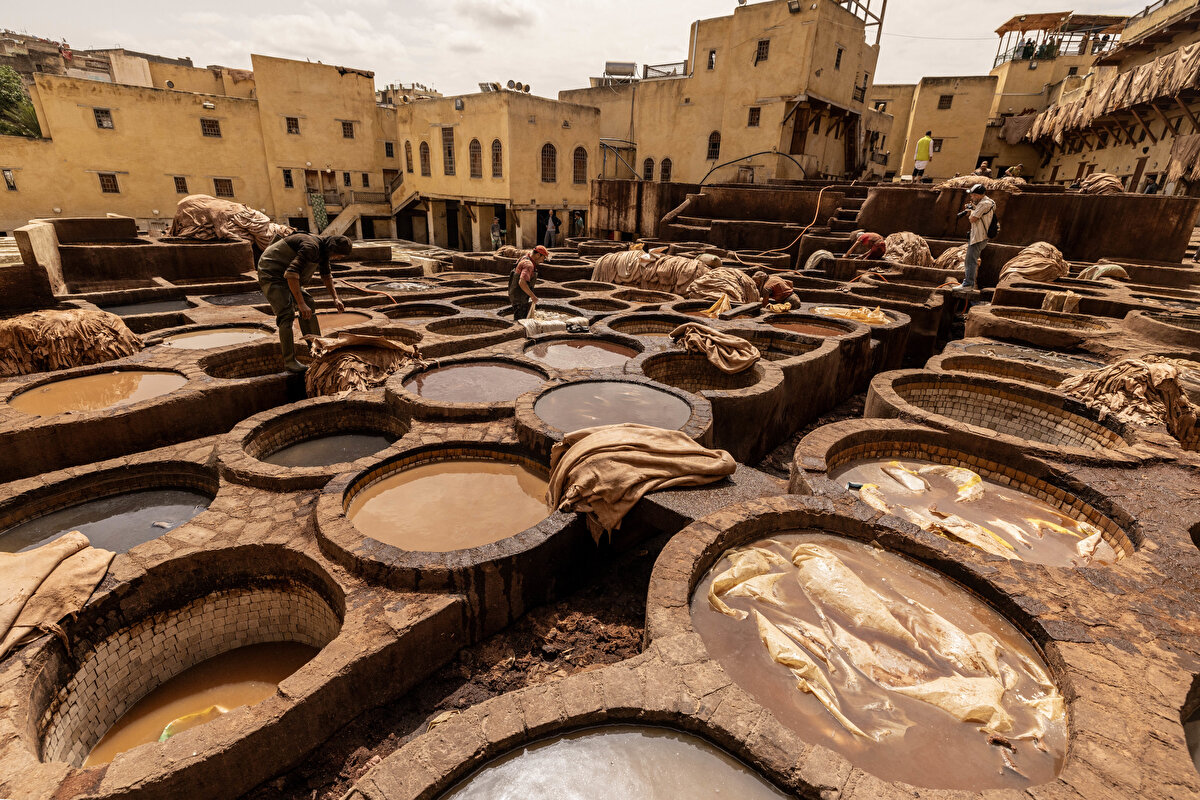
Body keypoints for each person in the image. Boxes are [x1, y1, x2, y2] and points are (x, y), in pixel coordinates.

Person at [256, 232, 353, 373]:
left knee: (309, 303)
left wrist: (335, 298)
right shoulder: (311, 247)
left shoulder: (324, 250)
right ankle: (290, 361)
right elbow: (291, 274)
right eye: (339, 255)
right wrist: (300, 304)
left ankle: (316, 349)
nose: (338, 258)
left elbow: (326, 275)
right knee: (286, 314)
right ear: (333, 249)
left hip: (289, 274)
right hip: (272, 272)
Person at [956, 184, 995, 290]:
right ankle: (969, 283)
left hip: (979, 237)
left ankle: (968, 284)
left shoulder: (984, 204)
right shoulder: (989, 202)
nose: (971, 198)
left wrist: (971, 211)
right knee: (971, 259)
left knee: (970, 260)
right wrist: (973, 207)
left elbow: (973, 219)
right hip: (980, 235)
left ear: (978, 195)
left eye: (972, 196)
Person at [509, 245, 549, 321]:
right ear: (537, 255)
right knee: (520, 321)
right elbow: (522, 282)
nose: (542, 261)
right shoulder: (529, 265)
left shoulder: (525, 257)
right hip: (519, 298)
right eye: (543, 258)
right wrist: (533, 296)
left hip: (516, 295)